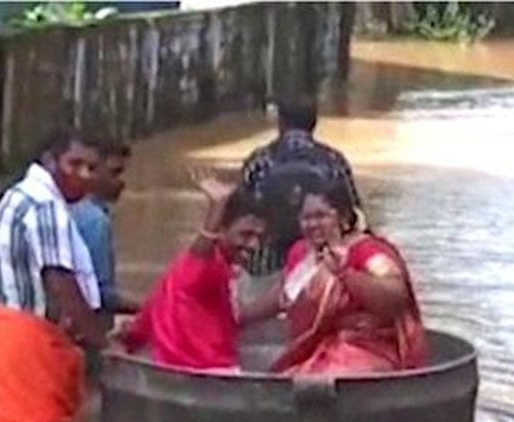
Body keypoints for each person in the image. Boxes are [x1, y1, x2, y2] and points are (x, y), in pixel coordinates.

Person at [0, 130, 107, 422]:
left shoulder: (19, 195)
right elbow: (61, 283)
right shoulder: (46, 207)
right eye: (75, 164)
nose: (84, 176)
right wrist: (104, 344)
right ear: (50, 161)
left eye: (91, 168)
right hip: (24, 343)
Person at [252, 176, 427, 375]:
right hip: (311, 350)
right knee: (290, 378)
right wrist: (240, 316)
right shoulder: (301, 252)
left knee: (317, 379)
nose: (313, 224)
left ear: (343, 217)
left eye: (321, 216)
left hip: (366, 350)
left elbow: (395, 297)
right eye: (306, 218)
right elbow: (283, 295)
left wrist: (346, 275)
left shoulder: (367, 251)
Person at [117, 175, 268, 371]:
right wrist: (217, 209)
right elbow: (200, 251)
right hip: (209, 374)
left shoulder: (220, 270)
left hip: (208, 373)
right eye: (245, 235)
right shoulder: (201, 266)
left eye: (259, 237)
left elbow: (151, 311)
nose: (254, 245)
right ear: (221, 230)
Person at [241, 94, 362, 275]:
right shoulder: (333, 159)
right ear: (314, 123)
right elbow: (353, 215)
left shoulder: (259, 160)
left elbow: (239, 213)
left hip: (266, 263)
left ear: (280, 122)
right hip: (319, 262)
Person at [70, 138, 140, 378]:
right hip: (88, 334)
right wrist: (152, 307)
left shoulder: (68, 210)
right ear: (92, 172)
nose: (122, 182)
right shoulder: (95, 221)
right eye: (115, 173)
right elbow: (99, 294)